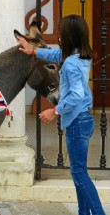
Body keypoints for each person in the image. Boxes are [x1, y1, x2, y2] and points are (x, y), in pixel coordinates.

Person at [17, 14, 105, 215]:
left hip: (77, 121)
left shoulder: (72, 63)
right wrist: (34, 51)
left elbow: (76, 95)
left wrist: (55, 110)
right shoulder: (77, 57)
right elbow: (56, 56)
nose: (58, 36)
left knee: (79, 174)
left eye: (61, 32)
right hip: (83, 120)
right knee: (78, 173)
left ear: (69, 36)